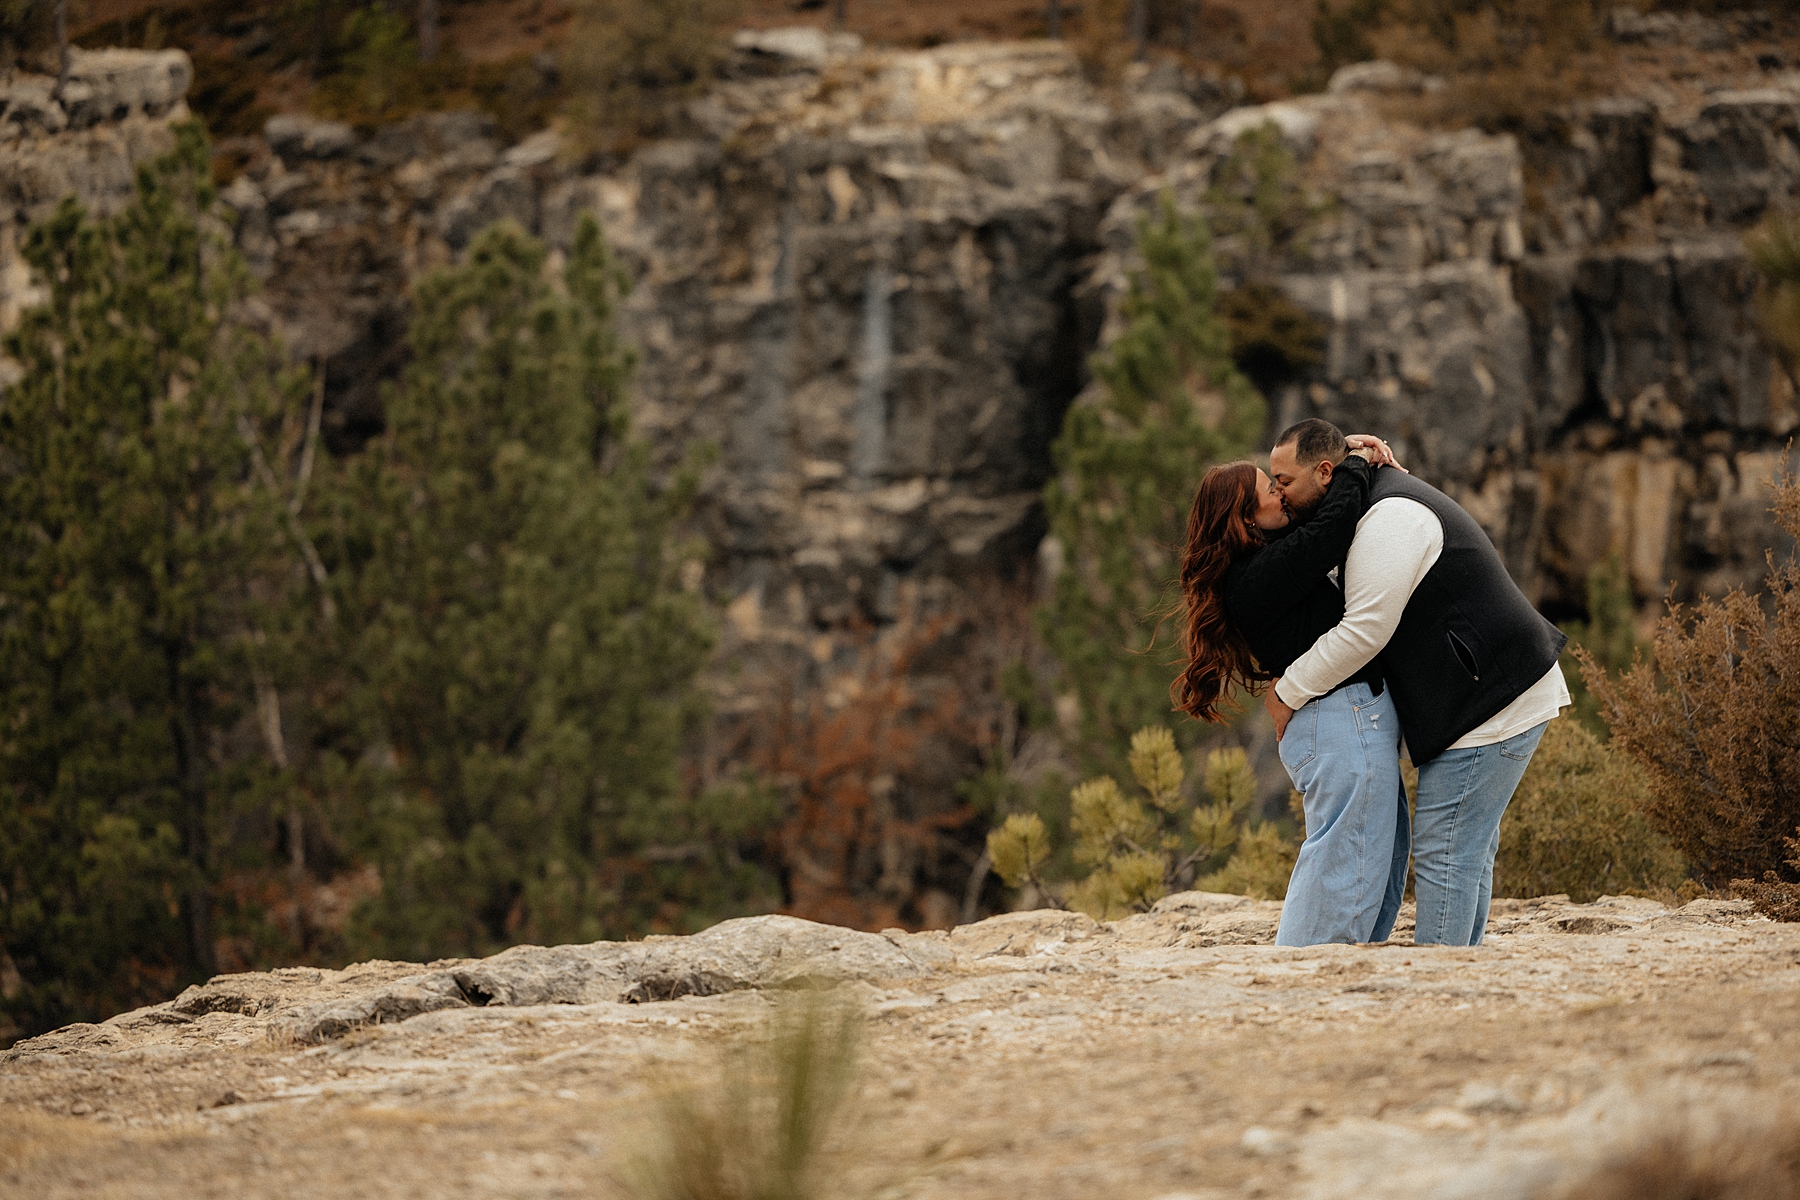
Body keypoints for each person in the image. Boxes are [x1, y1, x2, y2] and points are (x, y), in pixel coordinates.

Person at [1263, 419, 1569, 947]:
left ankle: (1441, 987)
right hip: (1490, 692)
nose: (1277, 494)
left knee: (1446, 849)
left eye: (1284, 482)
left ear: (1325, 473)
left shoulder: (1390, 520)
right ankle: (1458, 976)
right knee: (1465, 850)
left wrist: (1286, 692)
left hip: (1490, 703)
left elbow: (1364, 631)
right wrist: (1356, 450)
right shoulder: (1357, 501)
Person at [1173, 446, 1407, 946]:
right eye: (1268, 491)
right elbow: (1332, 527)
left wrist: (1340, 452)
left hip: (1343, 720)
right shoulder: (1258, 577)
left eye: (1278, 484)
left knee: (1369, 869)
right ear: (1244, 520)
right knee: (1344, 869)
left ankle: (1326, 985)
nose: (1280, 494)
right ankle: (1301, 986)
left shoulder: (1267, 563)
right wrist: (1356, 462)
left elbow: (1320, 512)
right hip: (1340, 722)